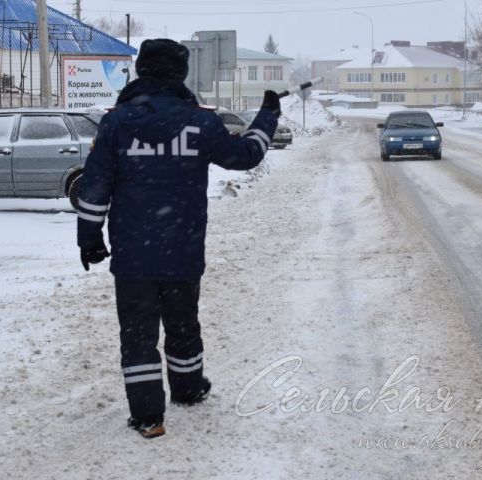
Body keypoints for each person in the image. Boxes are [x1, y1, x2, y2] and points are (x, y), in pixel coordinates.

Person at [76, 38, 280, 439]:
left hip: (134, 254)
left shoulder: (117, 122)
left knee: (138, 334)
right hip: (183, 247)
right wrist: (267, 116)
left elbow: (94, 185)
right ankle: (188, 390)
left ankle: (149, 416)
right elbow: (244, 157)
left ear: (142, 71)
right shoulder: (198, 121)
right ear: (180, 73)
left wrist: (90, 238)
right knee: (183, 323)